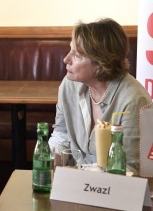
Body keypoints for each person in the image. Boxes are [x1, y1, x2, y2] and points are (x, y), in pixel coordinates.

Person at [48, 18, 152, 174]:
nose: (66, 59)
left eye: (76, 55)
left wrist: (81, 173)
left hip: (118, 191)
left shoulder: (135, 100)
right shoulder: (69, 84)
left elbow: (133, 168)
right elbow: (61, 133)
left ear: (99, 65)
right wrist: (49, 159)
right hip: (77, 185)